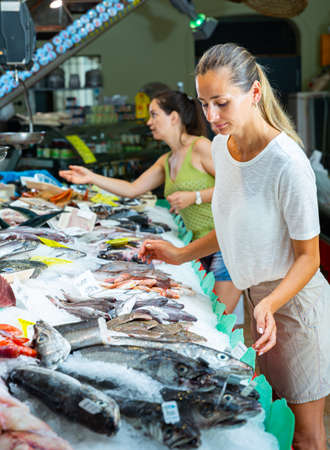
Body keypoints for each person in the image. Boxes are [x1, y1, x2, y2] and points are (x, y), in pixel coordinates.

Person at [138, 44, 330, 450]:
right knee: (262, 421)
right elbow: (229, 227)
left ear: (255, 93)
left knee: (306, 437)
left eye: (222, 103)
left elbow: (309, 258)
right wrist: (177, 255)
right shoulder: (224, 149)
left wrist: (271, 303)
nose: (211, 117)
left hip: (293, 306)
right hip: (257, 302)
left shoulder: (287, 163)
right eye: (204, 104)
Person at [59, 90, 241, 309]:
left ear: (174, 117)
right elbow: (132, 189)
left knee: (218, 314)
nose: (149, 122)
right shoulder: (167, 159)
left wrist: (196, 196)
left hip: (225, 242)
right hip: (198, 245)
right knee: (210, 309)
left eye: (154, 115)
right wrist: (91, 177)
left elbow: (236, 187)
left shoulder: (200, 146)